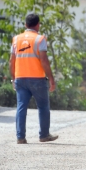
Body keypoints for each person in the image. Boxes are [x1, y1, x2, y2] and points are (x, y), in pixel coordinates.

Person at [10, 14, 58, 144]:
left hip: (20, 78)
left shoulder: (16, 39)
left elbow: (12, 61)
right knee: (43, 107)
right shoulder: (40, 39)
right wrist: (51, 79)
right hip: (37, 79)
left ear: (25, 25)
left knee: (21, 107)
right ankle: (44, 135)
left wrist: (13, 78)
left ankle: (20, 137)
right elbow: (44, 61)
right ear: (38, 25)